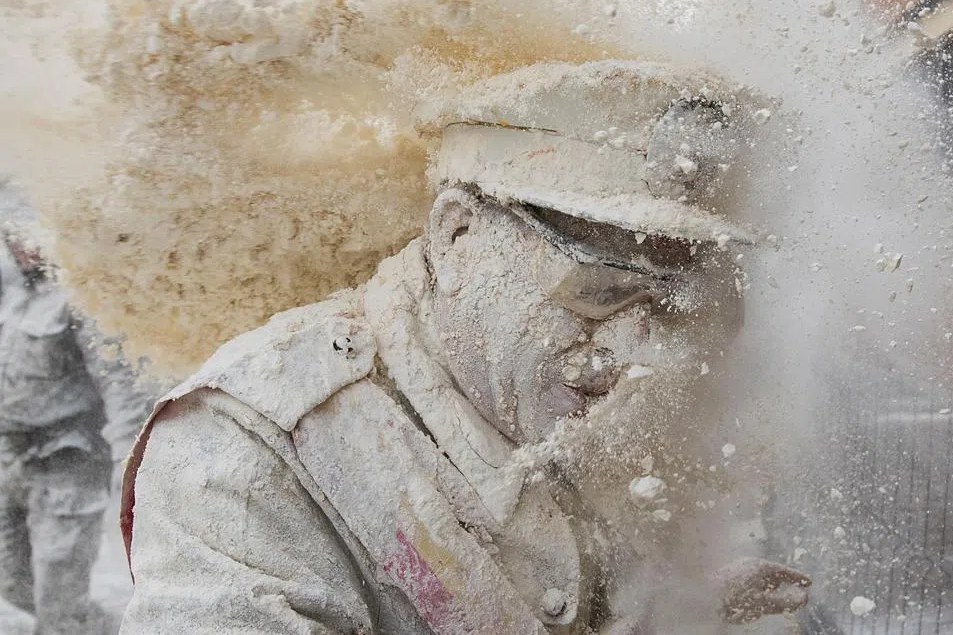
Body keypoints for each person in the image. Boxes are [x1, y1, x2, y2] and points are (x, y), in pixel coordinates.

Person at [118, 60, 811, 634]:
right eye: (602, 290)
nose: (635, 350)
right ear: (456, 238)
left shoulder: (549, 387)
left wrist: (667, 609)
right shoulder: (249, 450)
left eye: (673, 305)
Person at [0, 230, 136, 635]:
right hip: (8, 462)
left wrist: (128, 462)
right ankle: (101, 627)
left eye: (29, 235)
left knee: (57, 605)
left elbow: (121, 386)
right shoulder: (12, 295)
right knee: (12, 585)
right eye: (12, 238)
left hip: (68, 466)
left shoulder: (84, 300)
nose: (23, 247)